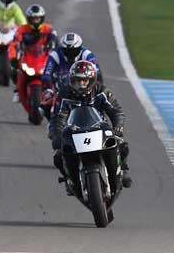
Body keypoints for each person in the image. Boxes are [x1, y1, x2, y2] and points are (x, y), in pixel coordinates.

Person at [49, 60, 132, 189]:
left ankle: (124, 170)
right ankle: (69, 179)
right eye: (77, 81)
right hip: (74, 132)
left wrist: (118, 126)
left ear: (91, 80)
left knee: (121, 144)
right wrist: (56, 134)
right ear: (72, 80)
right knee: (58, 155)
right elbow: (57, 118)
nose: (81, 85)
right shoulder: (64, 94)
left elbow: (116, 110)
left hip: (99, 129)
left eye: (84, 81)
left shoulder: (101, 91)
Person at [8, 4, 57, 103]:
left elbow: (55, 39)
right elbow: (13, 44)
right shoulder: (22, 29)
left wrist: (52, 43)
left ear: (42, 18)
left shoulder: (48, 28)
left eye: (37, 19)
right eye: (33, 19)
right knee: (14, 69)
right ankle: (18, 89)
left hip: (44, 57)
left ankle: (56, 91)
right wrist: (13, 58)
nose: (35, 21)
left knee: (56, 72)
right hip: (27, 56)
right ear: (29, 19)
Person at [43, 32, 102, 97]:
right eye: (67, 51)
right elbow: (46, 74)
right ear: (62, 49)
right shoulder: (55, 55)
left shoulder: (87, 54)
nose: (70, 54)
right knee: (46, 103)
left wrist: (97, 90)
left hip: (84, 91)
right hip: (60, 92)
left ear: (80, 48)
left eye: (73, 51)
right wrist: (48, 89)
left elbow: (97, 72)